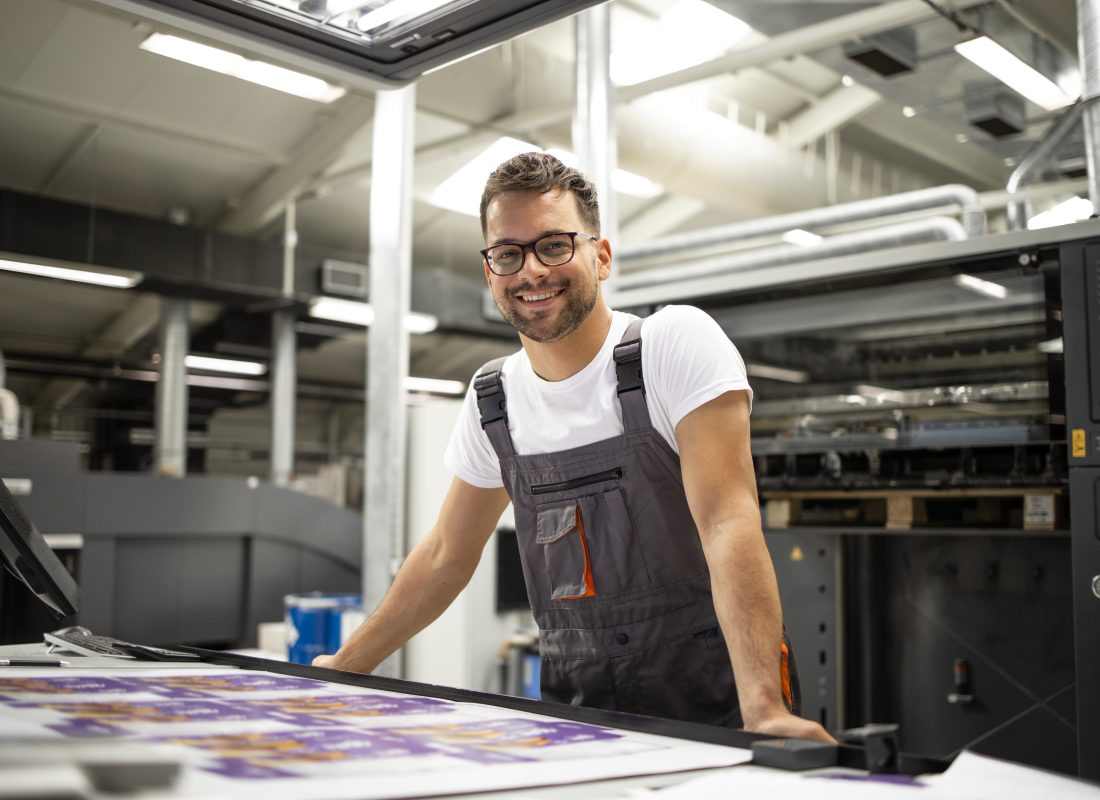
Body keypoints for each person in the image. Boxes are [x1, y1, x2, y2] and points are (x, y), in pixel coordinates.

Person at [315, 152, 832, 743]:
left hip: (715, 703)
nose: (531, 270)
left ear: (601, 255)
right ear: (490, 272)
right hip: (576, 714)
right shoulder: (494, 399)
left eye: (554, 245)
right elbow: (445, 555)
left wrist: (763, 706)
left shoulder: (671, 344)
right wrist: (346, 665)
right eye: (508, 253)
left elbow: (727, 522)